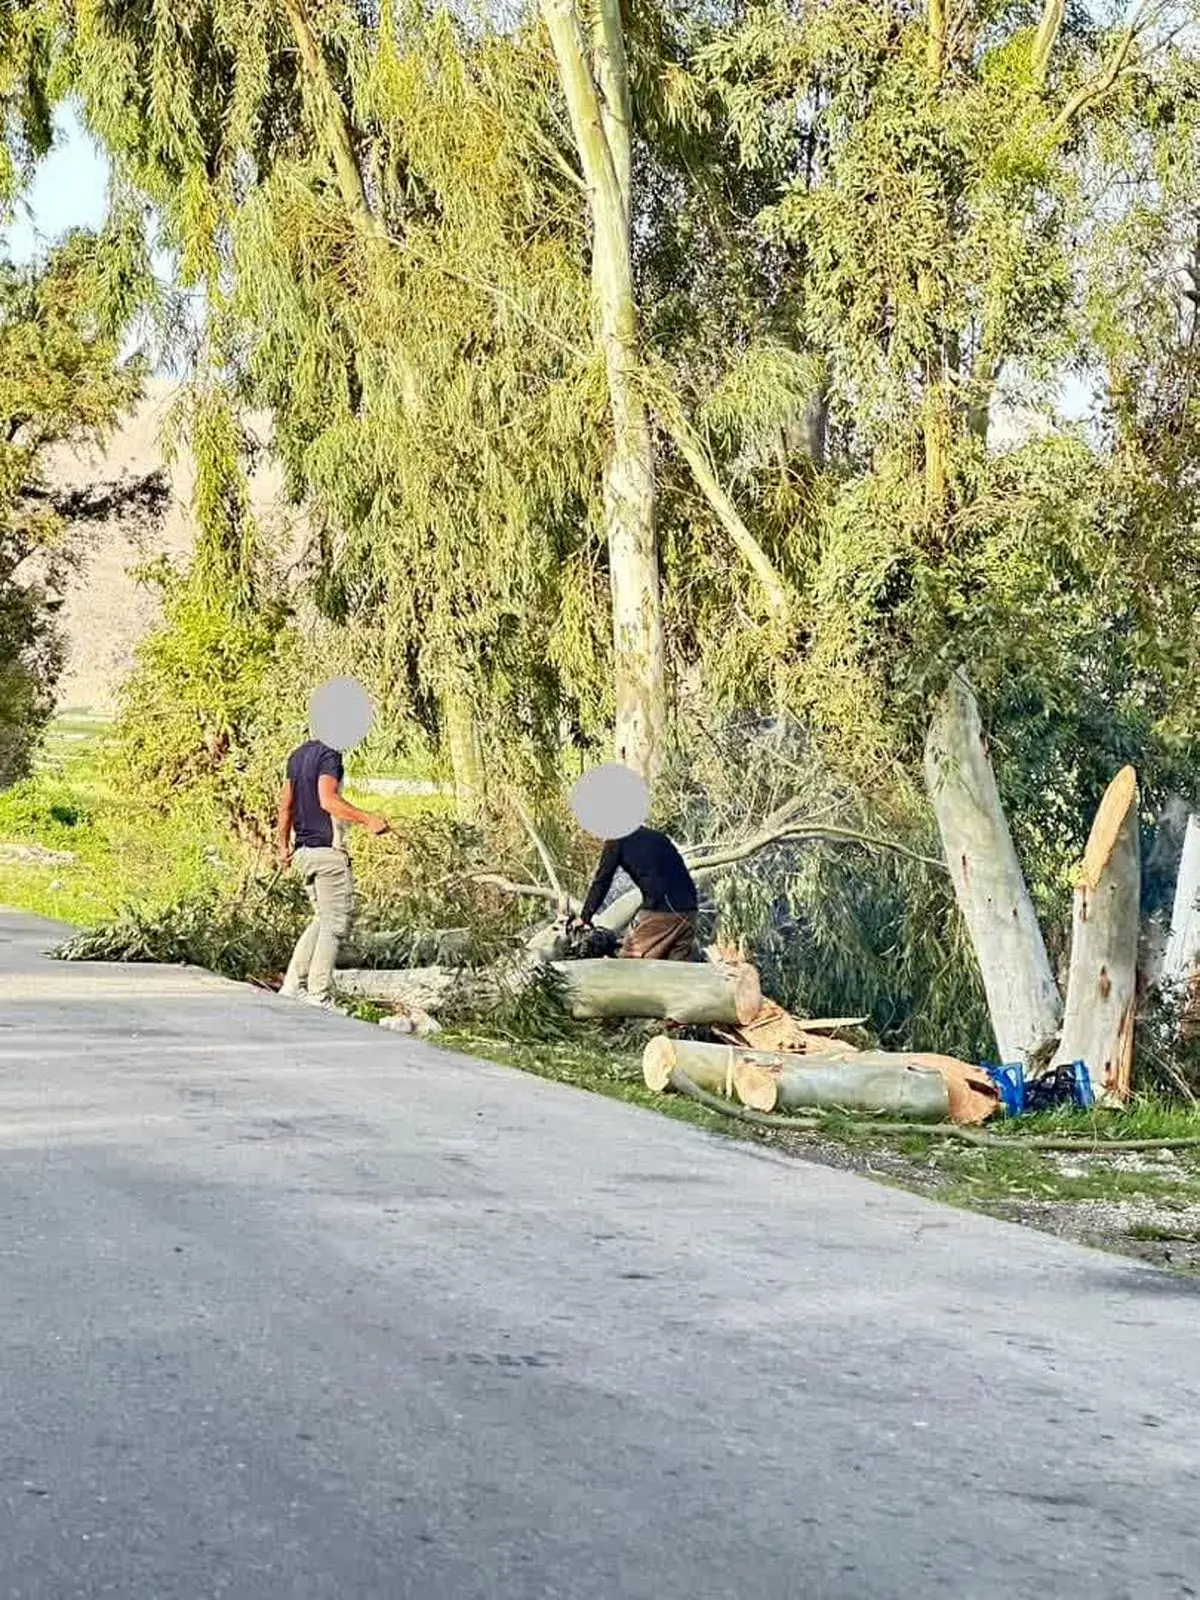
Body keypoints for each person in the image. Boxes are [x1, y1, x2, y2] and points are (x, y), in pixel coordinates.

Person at [276, 735, 391, 1007]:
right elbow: (327, 800)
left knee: (321, 918)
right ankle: (319, 995)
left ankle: (293, 985)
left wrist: (282, 847)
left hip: (304, 851)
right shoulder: (330, 754)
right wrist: (368, 819)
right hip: (328, 852)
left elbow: (286, 806)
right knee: (335, 923)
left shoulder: (297, 755)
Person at [577, 824, 699, 960]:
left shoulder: (617, 840)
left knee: (628, 962)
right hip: (690, 911)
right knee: (674, 972)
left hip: (663, 913)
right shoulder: (657, 836)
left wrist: (584, 918)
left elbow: (602, 881)